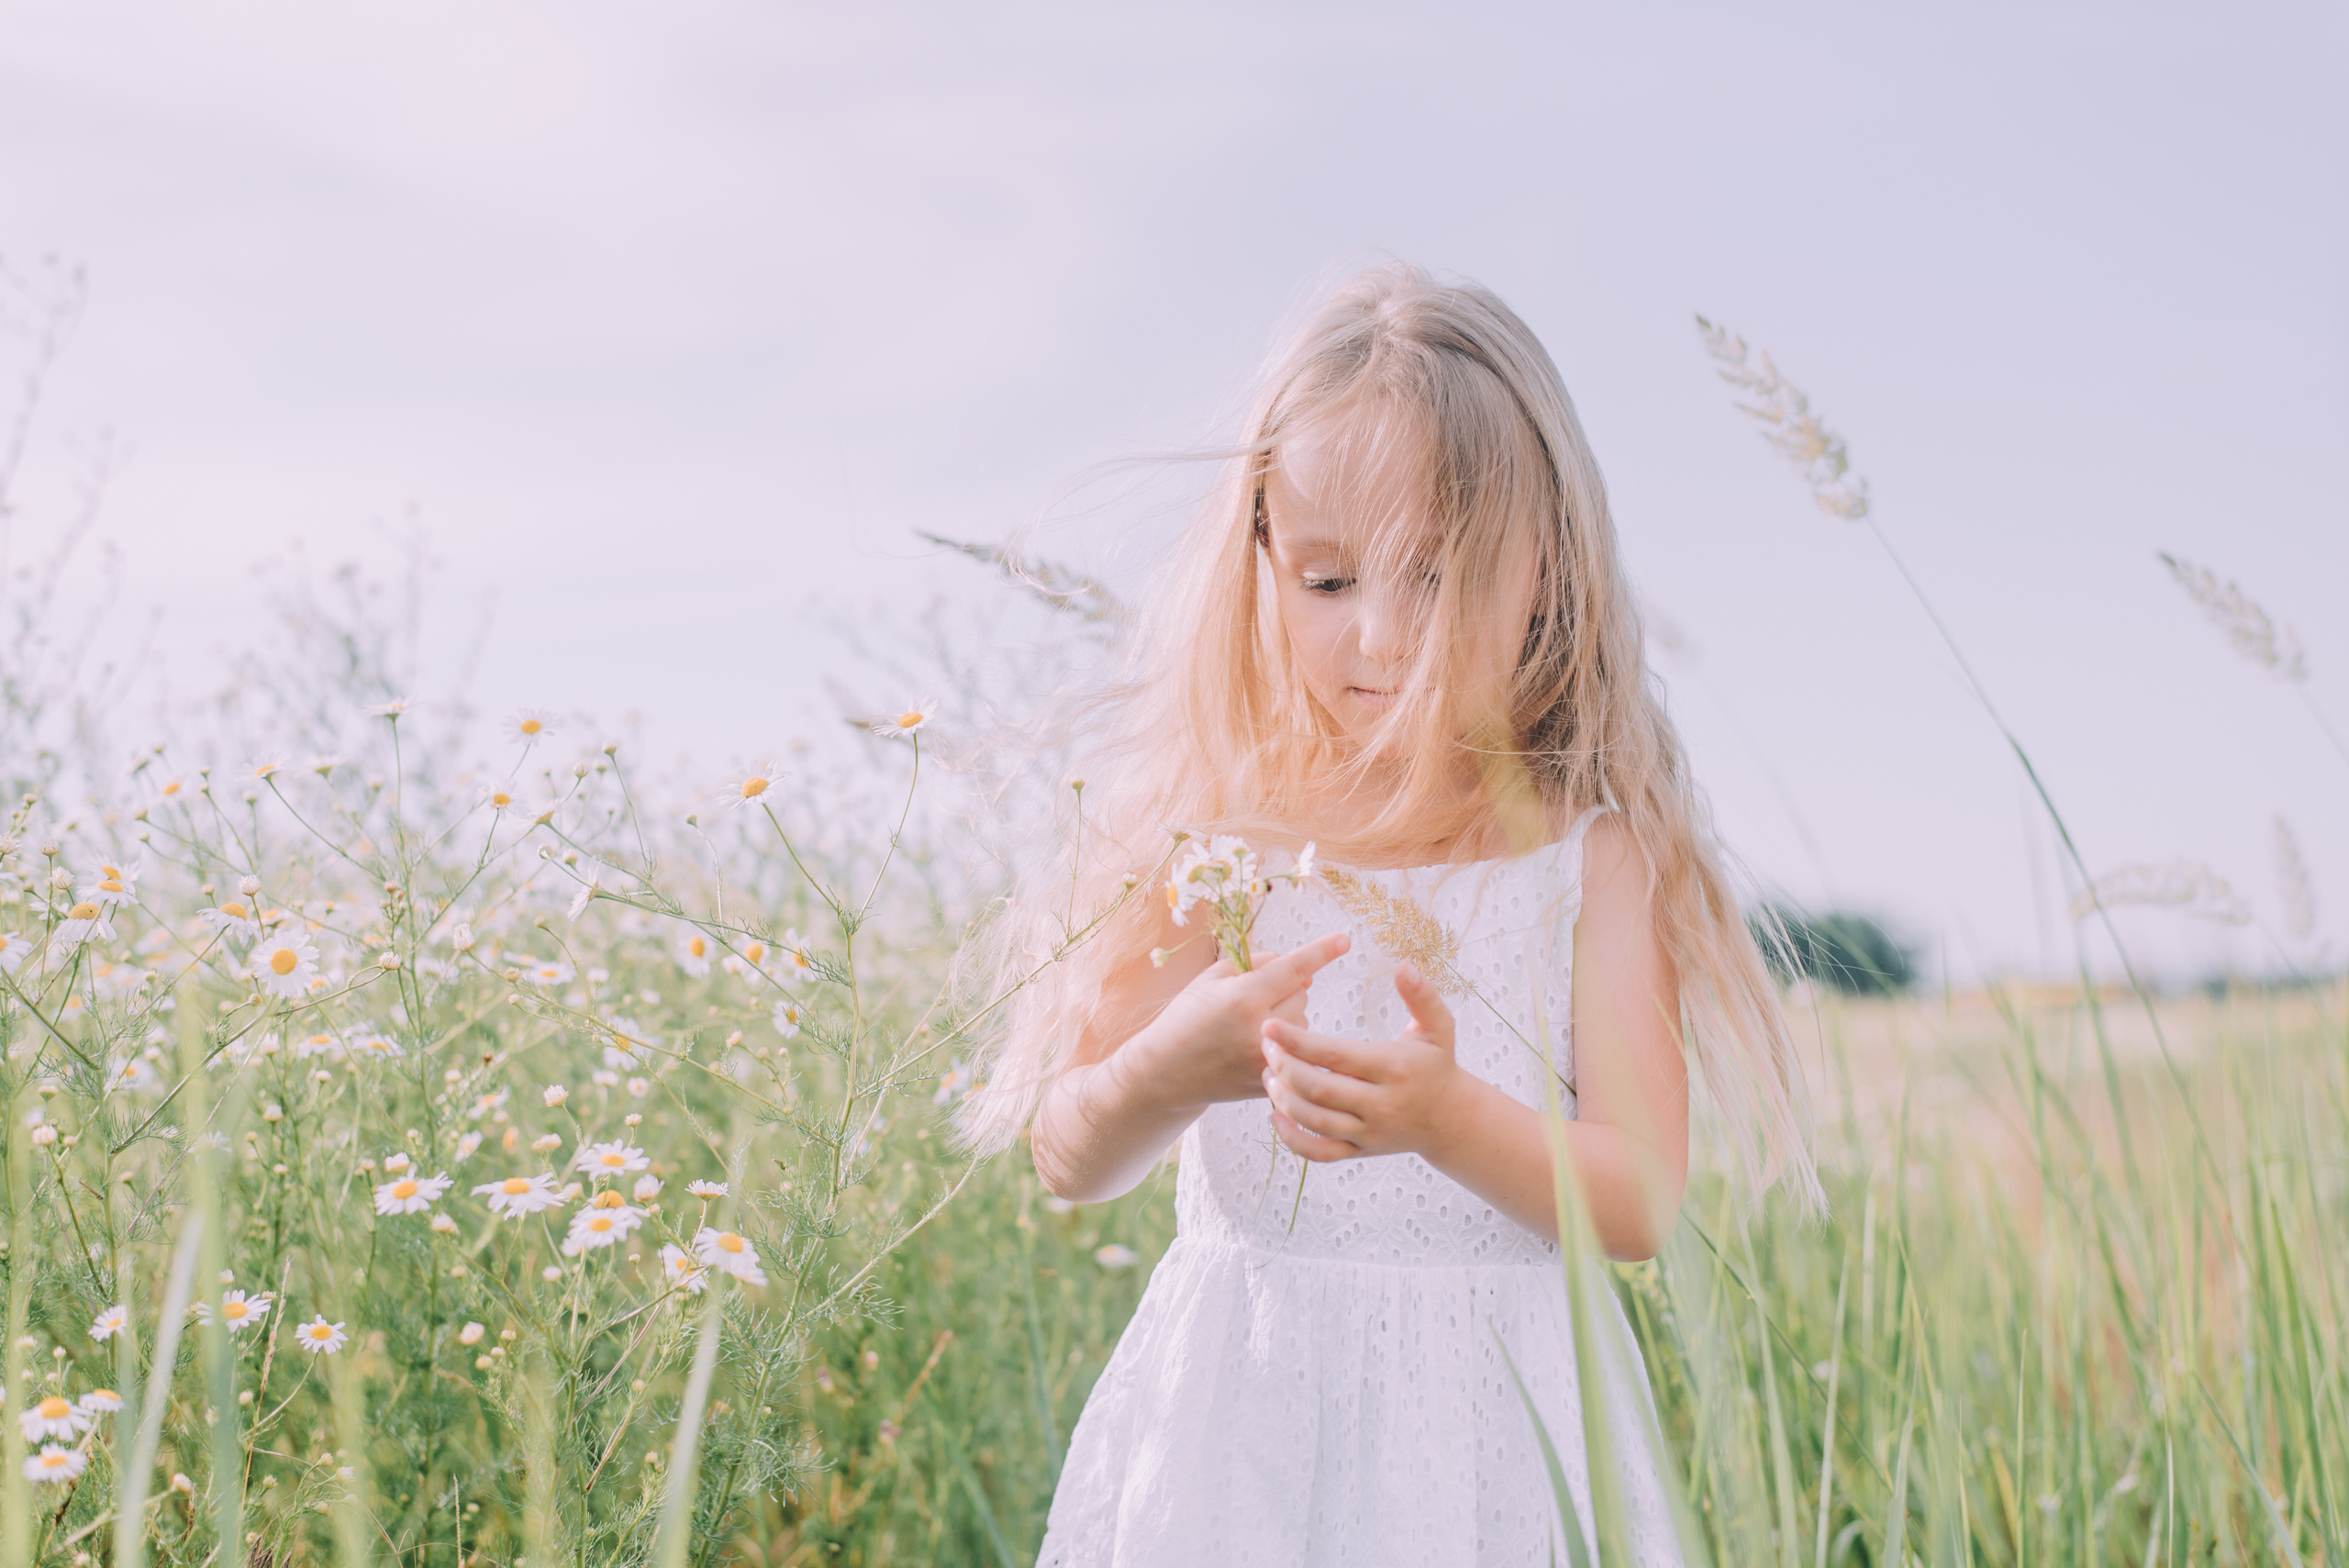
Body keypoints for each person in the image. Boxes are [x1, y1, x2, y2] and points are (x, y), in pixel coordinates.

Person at [961, 262, 1821, 1566]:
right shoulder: (1218, 846)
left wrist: (1444, 1116)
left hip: (1501, 1452)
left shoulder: (1587, 858)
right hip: (1240, 1437)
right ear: (1260, 563)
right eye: (1326, 581)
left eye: (1433, 574)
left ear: (1548, 567)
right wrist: (1170, 1065)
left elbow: (1640, 1196)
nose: (1379, 637)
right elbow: (1069, 1151)